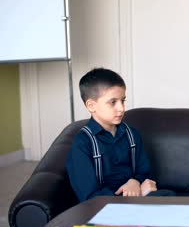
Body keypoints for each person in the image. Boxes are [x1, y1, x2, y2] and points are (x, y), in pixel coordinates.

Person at [66, 68, 174, 202]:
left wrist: (135, 181)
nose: (121, 108)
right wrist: (133, 195)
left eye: (123, 101)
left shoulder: (132, 134)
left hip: (135, 197)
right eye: (113, 102)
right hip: (103, 205)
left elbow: (145, 172)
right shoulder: (82, 143)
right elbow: (89, 195)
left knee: (170, 197)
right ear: (91, 105)